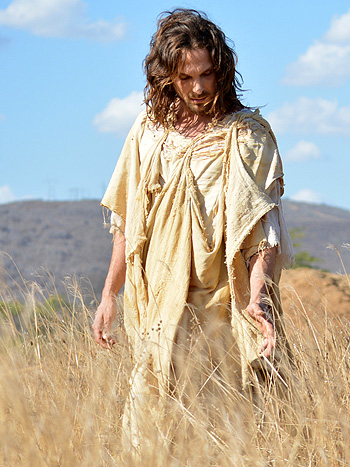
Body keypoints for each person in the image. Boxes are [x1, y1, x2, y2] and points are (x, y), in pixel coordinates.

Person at [91, 8, 294, 448]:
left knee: (233, 418)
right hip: (160, 299)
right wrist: (110, 295)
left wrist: (258, 296)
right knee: (151, 422)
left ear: (222, 71)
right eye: (186, 78)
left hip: (225, 300)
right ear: (167, 77)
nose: (199, 88)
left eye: (206, 75)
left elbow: (264, 228)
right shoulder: (148, 133)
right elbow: (127, 221)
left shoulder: (247, 135)